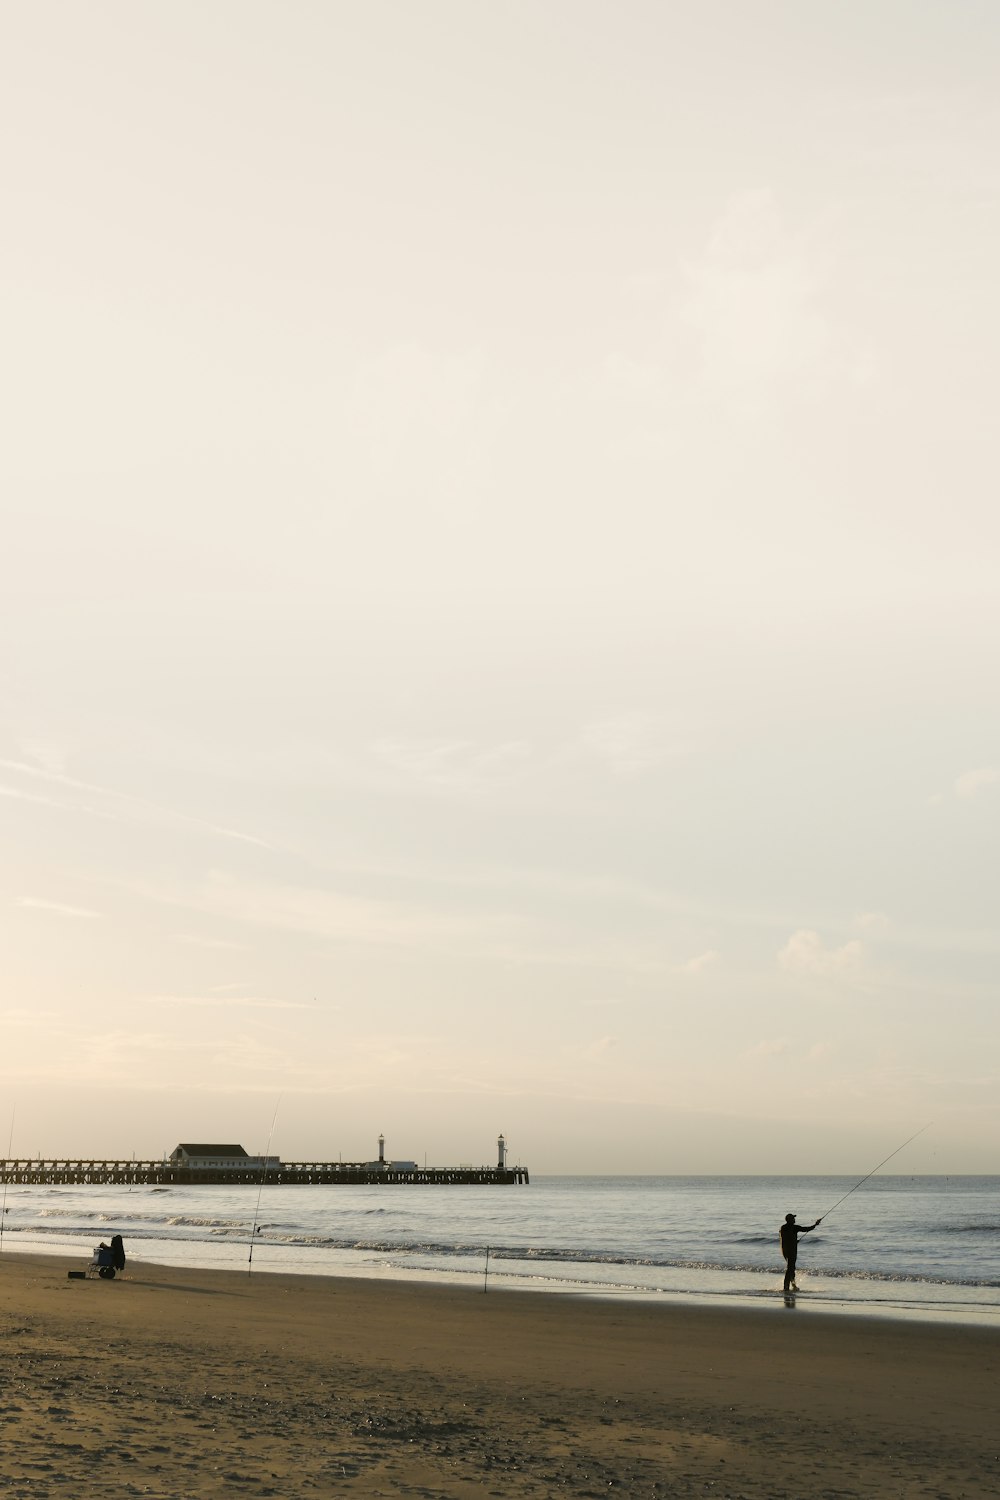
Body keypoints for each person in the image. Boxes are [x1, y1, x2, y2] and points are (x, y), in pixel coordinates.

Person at [779, 1212, 821, 1292]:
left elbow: (785, 1238)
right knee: (790, 1268)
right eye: (793, 1218)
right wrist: (815, 1224)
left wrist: (794, 1241)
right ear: (790, 1220)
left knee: (791, 1268)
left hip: (784, 1250)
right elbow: (806, 1229)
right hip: (791, 1251)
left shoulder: (783, 1227)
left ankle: (793, 1285)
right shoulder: (794, 1227)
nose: (795, 1219)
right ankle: (786, 1287)